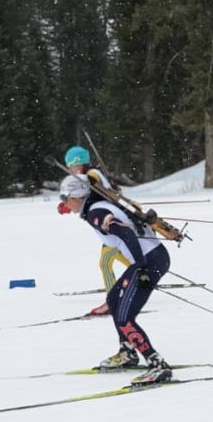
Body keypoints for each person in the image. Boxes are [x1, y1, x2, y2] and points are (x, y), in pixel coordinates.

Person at [57, 172, 172, 384]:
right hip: (151, 257)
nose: (64, 203)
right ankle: (128, 352)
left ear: (76, 197)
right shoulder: (97, 204)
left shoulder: (95, 212)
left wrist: (140, 266)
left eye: (65, 198)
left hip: (148, 261)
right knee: (113, 300)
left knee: (124, 318)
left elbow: (125, 233)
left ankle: (157, 365)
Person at [64, 145, 130, 316]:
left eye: (71, 166)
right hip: (109, 225)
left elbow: (95, 195)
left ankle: (113, 300)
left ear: (79, 164)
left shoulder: (92, 175)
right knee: (116, 256)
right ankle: (141, 275)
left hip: (111, 224)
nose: (71, 170)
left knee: (105, 262)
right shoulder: (93, 174)